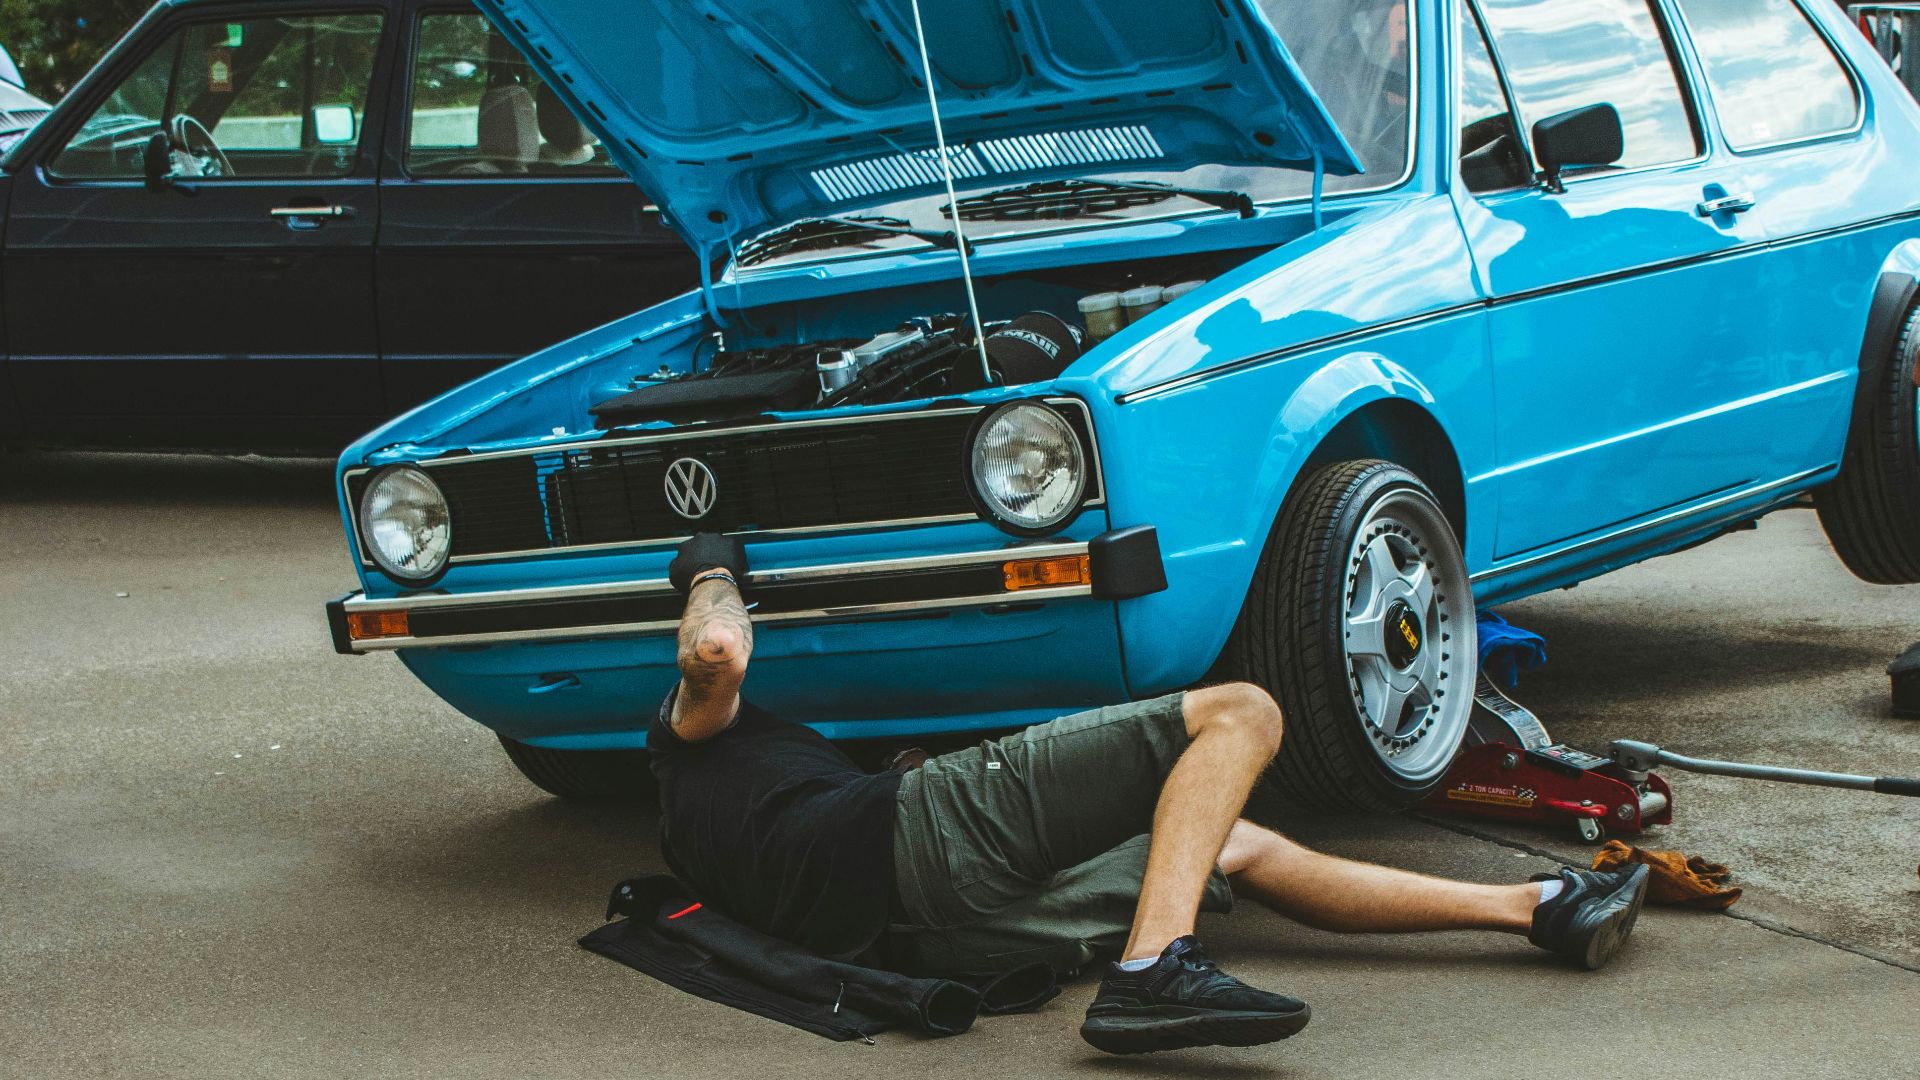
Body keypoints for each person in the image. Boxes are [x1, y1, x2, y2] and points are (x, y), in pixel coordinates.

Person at [649, 535, 1650, 1055]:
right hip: (917, 845)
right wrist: (711, 569)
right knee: (1242, 713)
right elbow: (714, 653)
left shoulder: (712, 833)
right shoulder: (685, 742)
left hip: (932, 934)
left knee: (1230, 841)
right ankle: (1152, 970)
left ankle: (1537, 908)